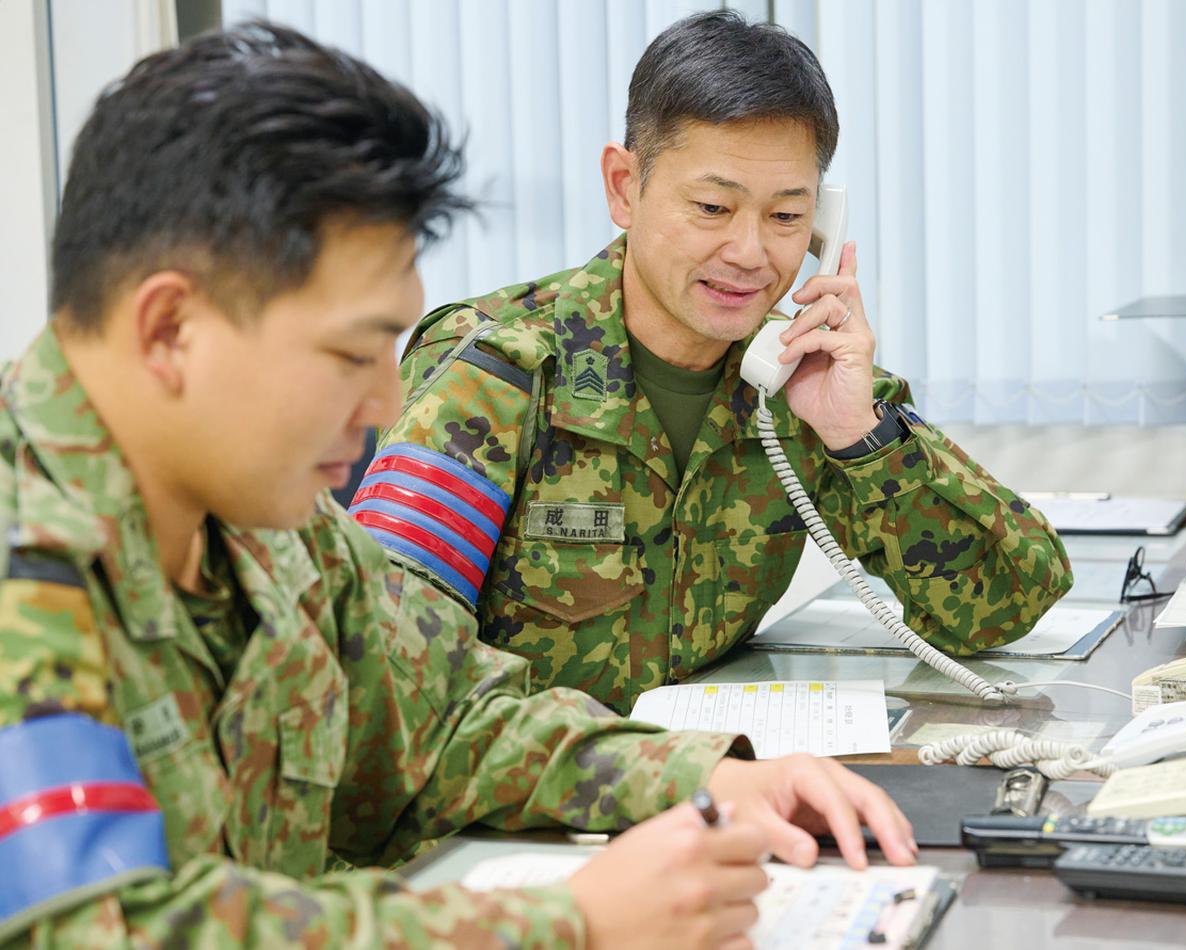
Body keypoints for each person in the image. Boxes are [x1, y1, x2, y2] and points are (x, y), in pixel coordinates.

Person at [0, 22, 916, 949]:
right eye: (350, 351)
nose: (388, 396)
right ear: (167, 329)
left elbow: (445, 721)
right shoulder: (23, 562)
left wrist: (711, 779)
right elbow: (85, 933)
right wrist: (571, 923)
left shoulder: (268, 527)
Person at [357, 11, 1074, 713]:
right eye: (711, 207)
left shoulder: (799, 381)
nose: (751, 254)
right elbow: (387, 672)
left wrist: (863, 438)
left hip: (721, 797)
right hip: (522, 813)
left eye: (787, 217)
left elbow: (1005, 606)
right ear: (624, 187)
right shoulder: (493, 373)